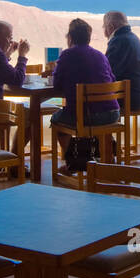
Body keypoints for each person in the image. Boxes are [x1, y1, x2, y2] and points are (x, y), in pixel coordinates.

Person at [51, 18, 121, 168]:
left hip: (88, 116)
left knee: (56, 119)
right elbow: (112, 80)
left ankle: (73, 163)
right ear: (88, 38)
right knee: (94, 116)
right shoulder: (100, 55)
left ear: (70, 38)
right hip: (113, 113)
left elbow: (56, 85)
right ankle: (107, 160)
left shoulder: (67, 55)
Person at [103, 10, 140, 112]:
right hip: (138, 97)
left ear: (110, 27)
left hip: (128, 99)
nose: (104, 32)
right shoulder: (132, 37)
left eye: (104, 27)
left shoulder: (118, 41)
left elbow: (107, 71)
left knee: (89, 100)